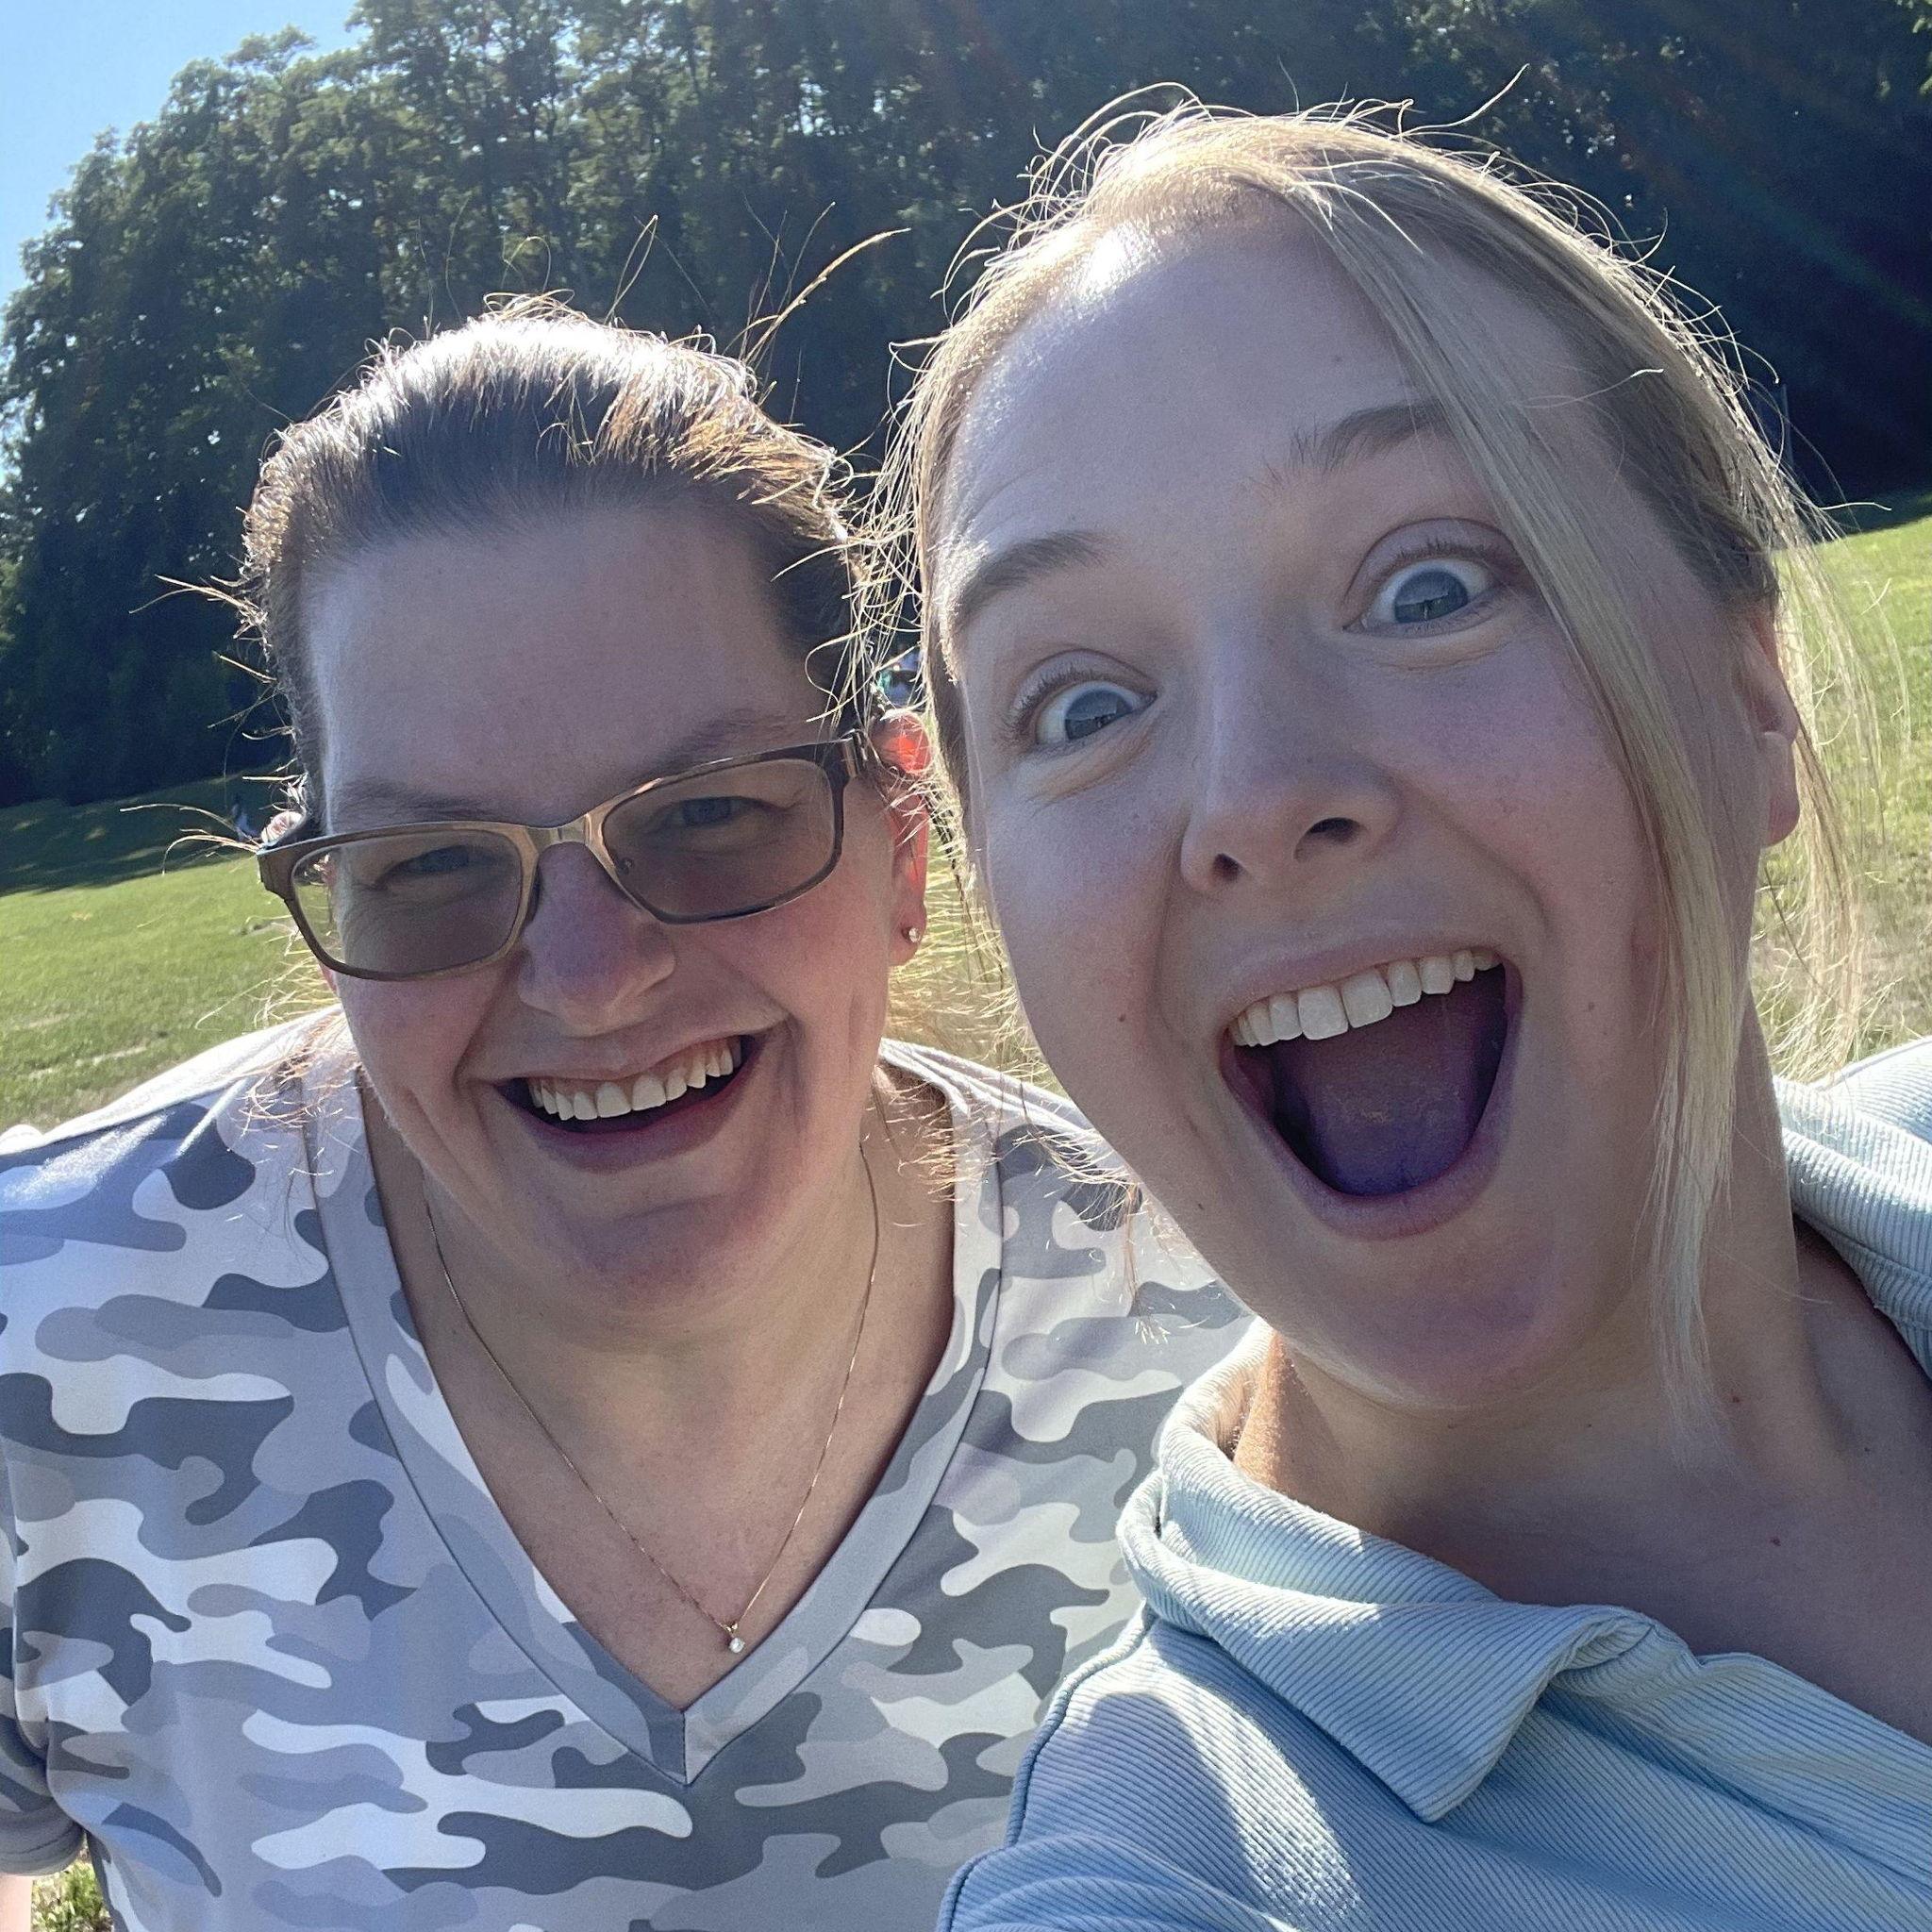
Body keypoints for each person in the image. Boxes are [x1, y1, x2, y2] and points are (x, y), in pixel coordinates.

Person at [0, 305, 1246, 1931]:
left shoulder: (1208, 1315)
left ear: (900, 847)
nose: (587, 980)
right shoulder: (50, 1341)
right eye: (432, 864)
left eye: (713, 814)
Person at [884, 103, 1932, 1930]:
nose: (1252, 795)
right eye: (1079, 701)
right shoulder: (1157, 1875)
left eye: (1426, 585)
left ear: (1750, 698)